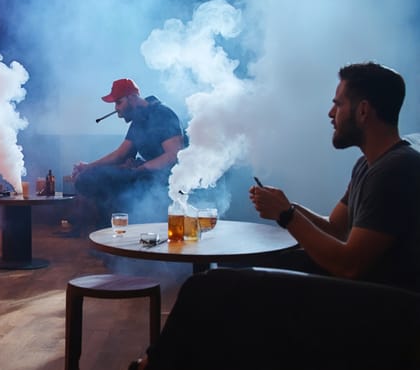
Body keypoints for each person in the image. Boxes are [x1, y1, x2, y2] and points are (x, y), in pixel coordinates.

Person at [130, 62, 420, 370]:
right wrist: (286, 205)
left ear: (363, 111)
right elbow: (336, 228)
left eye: (338, 104)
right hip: (364, 289)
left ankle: (152, 366)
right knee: (226, 271)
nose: (330, 114)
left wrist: (286, 216)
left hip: (386, 309)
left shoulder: (395, 170)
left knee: (207, 287)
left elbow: (349, 265)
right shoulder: (369, 164)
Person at [62, 78, 185, 234]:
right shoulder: (138, 122)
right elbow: (121, 154)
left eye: (118, 102)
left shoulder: (162, 115)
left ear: (132, 98)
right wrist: (88, 166)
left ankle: (114, 236)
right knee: (90, 177)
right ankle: (107, 235)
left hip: (168, 177)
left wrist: (140, 168)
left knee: (109, 181)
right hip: (145, 173)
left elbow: (174, 156)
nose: (116, 108)